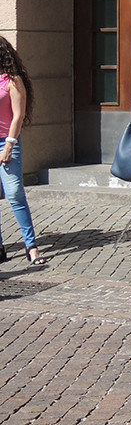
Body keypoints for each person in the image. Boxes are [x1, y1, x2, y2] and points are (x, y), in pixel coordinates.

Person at [0, 37, 44, 266]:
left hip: (7, 142)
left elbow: (18, 115)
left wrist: (9, 145)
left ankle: (31, 246)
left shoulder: (12, 80)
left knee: (15, 194)